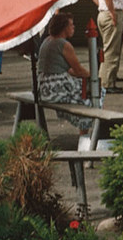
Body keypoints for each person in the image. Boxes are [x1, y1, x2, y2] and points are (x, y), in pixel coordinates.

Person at [37, 13, 95, 150]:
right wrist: (94, 76)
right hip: (57, 87)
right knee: (90, 97)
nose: (74, 27)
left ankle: (86, 135)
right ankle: (84, 138)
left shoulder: (47, 41)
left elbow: (68, 69)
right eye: (71, 24)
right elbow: (78, 70)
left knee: (84, 91)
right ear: (64, 28)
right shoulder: (64, 44)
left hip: (44, 87)